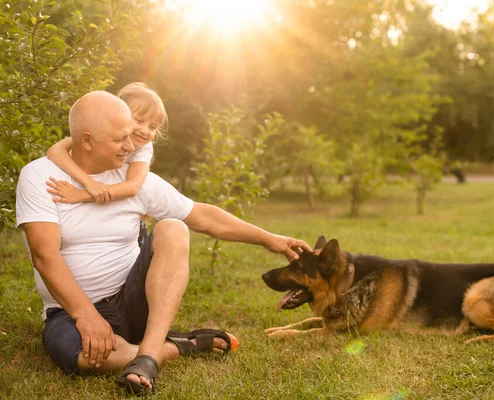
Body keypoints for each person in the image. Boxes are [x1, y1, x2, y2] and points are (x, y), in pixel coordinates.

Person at [16, 90, 311, 394]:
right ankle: (179, 346)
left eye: (131, 136)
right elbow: (44, 254)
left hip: (131, 299)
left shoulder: (135, 181)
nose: (131, 146)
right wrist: (86, 316)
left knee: (173, 227)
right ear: (88, 141)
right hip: (70, 310)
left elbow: (204, 217)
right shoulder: (39, 177)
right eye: (121, 139)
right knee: (83, 358)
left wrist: (269, 239)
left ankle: (145, 357)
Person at [46, 82, 165, 204]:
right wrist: (88, 182)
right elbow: (55, 151)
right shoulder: (102, 133)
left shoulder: (144, 147)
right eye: (139, 120)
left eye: (152, 127)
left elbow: (132, 186)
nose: (145, 131)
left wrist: (81, 195)